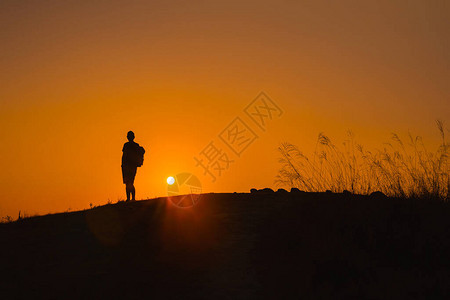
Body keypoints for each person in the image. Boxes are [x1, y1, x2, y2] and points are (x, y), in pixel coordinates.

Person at [121, 131, 145, 201]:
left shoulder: (127, 145)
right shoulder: (135, 145)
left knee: (129, 183)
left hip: (129, 166)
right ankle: (130, 198)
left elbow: (124, 156)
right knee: (129, 183)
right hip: (130, 167)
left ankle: (131, 198)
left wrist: (122, 165)